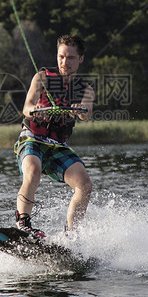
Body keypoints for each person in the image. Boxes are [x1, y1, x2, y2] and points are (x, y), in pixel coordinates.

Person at [13, 34, 95, 240]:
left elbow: (87, 113)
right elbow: (26, 107)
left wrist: (79, 110)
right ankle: (23, 224)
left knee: (85, 185)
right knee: (33, 172)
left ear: (81, 59)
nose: (64, 62)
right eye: (61, 57)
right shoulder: (42, 77)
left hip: (57, 146)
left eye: (70, 58)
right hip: (32, 138)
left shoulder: (85, 90)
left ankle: (71, 236)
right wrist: (36, 110)